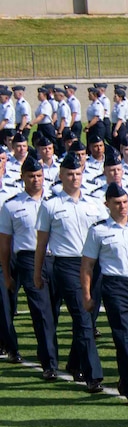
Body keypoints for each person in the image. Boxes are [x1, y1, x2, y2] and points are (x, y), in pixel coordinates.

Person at [80, 182, 128, 408]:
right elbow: (87, 265)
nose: (122, 206)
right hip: (115, 288)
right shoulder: (98, 231)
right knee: (124, 339)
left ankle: (126, 378)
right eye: (117, 203)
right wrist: (86, 294)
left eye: (125, 202)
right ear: (107, 204)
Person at [34, 152, 108, 391]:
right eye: (69, 174)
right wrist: (37, 273)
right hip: (66, 265)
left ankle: (74, 362)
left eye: (77, 173)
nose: (74, 178)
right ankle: (93, 374)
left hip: (93, 265)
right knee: (83, 317)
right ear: (61, 176)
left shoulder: (95, 202)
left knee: (89, 317)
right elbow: (42, 243)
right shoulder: (51, 205)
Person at [3, 155, 58, 377]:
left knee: (55, 311)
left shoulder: (55, 201)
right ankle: (49, 364)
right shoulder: (12, 206)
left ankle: (63, 357)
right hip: (28, 259)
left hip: (58, 259)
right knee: (41, 312)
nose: (35, 180)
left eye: (38, 176)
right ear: (22, 177)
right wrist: (7, 274)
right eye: (31, 176)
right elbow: (5, 245)